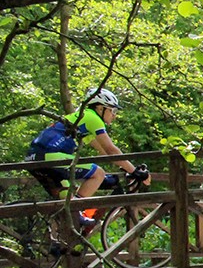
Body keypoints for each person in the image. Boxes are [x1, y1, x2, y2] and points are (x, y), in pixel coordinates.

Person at [25, 87, 148, 232]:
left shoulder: (82, 119)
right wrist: (135, 171)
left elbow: (105, 152)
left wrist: (124, 166)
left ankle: (58, 237)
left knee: (67, 199)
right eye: (113, 111)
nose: (114, 116)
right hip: (50, 157)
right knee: (98, 173)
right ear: (100, 108)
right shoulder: (93, 118)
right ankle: (77, 212)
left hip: (33, 158)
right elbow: (111, 150)